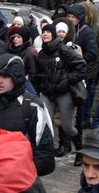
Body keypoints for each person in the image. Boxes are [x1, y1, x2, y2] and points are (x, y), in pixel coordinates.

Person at [0, 53, 57, 176]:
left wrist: (17, 174)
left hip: (18, 181)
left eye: (5, 76)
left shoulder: (34, 106)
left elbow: (45, 157)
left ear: (16, 77)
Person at [32, 23, 87, 155]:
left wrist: (67, 80)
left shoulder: (64, 50)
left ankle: (80, 151)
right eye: (43, 32)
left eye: (48, 32)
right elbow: (39, 73)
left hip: (64, 92)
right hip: (47, 93)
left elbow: (81, 66)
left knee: (67, 127)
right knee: (45, 124)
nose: (45, 34)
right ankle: (46, 153)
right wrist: (41, 86)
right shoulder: (42, 53)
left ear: (53, 34)